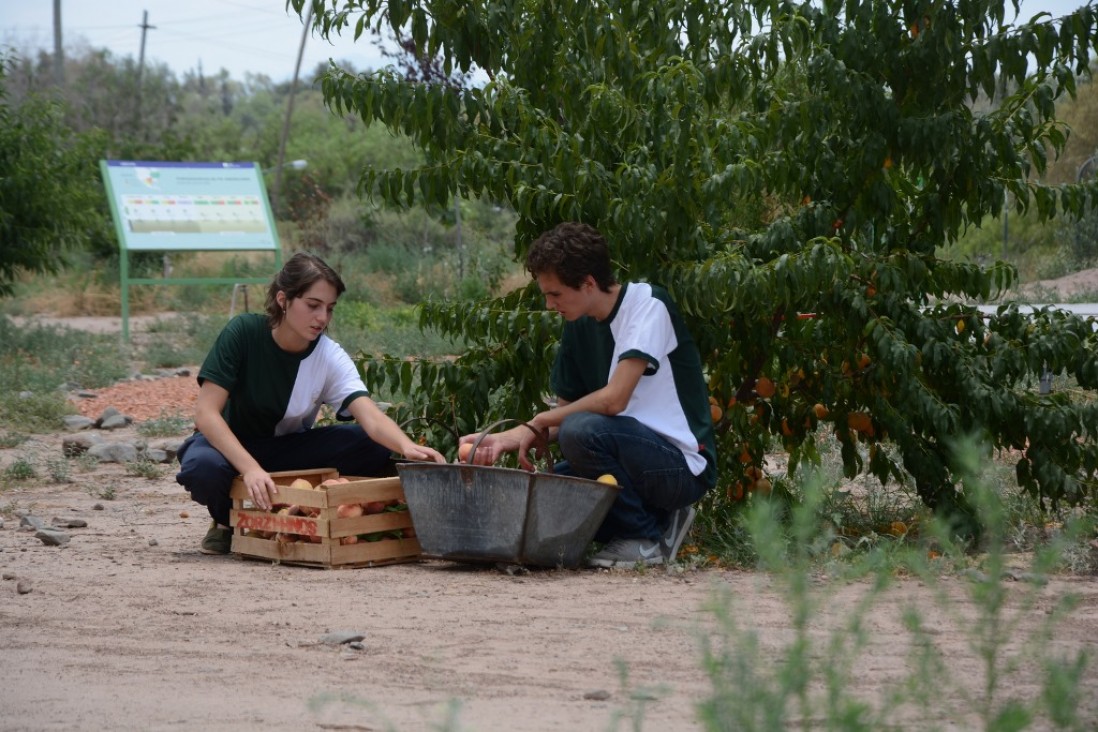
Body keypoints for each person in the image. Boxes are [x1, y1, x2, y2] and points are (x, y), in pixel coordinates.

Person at [460, 222, 717, 568]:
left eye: (555, 294)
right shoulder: (578, 324)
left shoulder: (648, 306)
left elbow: (613, 401)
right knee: (546, 496)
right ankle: (661, 521)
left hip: (680, 468)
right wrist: (505, 439)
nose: (550, 305)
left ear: (589, 283)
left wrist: (545, 419)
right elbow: (564, 419)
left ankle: (644, 540)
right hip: (627, 458)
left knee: (580, 431)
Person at [176, 252, 446, 554]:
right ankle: (225, 521)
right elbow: (206, 413)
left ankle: (307, 512)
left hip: (287, 448)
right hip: (228, 445)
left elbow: (369, 415)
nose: (322, 318)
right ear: (283, 299)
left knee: (370, 443)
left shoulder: (329, 355)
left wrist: (405, 445)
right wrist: (250, 468)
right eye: (313, 305)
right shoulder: (242, 333)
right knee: (202, 467)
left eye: (329, 309)